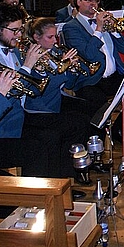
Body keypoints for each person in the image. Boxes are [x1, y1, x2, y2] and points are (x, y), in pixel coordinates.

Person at [23, 18, 99, 180]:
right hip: (39, 108)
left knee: (89, 113)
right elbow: (42, 90)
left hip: (55, 101)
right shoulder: (33, 57)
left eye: (56, 37)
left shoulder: (54, 54)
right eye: (50, 37)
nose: (55, 41)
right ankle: (69, 174)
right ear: (37, 37)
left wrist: (71, 69)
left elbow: (68, 84)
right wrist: (61, 69)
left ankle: (87, 161)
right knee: (76, 123)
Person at [0, 2, 57, 178]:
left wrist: (39, 70)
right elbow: (8, 96)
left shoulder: (13, 51)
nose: (19, 35)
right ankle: (33, 199)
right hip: (0, 130)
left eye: (20, 30)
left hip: (17, 118)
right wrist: (27, 66)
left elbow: (31, 91)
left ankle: (56, 189)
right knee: (36, 150)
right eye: (14, 30)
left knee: (53, 136)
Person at [62, 0, 124, 119]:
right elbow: (89, 55)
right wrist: (98, 29)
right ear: (79, 2)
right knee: (99, 105)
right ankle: (98, 136)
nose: (93, 4)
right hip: (90, 80)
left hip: (114, 76)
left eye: (96, 0)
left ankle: (119, 131)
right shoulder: (71, 27)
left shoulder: (105, 23)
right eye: (89, 0)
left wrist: (114, 30)